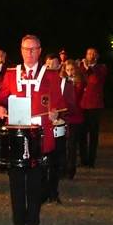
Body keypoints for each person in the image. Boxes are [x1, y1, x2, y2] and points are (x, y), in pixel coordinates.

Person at [0, 35, 66, 225]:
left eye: (34, 49)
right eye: (27, 49)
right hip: (17, 136)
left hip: (39, 137)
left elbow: (60, 104)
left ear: (40, 51)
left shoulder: (51, 76)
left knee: (35, 184)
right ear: (21, 50)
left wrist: (55, 112)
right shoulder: (11, 74)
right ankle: (17, 224)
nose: (30, 53)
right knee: (16, 183)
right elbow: (0, 99)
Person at [43, 53, 66, 203]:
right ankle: (43, 192)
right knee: (43, 162)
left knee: (55, 162)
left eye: (54, 65)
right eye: (48, 65)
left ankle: (53, 192)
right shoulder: (39, 82)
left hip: (58, 128)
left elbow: (70, 106)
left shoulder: (64, 83)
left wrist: (59, 112)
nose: (51, 67)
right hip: (43, 128)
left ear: (59, 66)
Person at [79, 47, 107, 167]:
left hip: (95, 106)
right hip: (82, 105)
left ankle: (91, 160)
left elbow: (96, 78)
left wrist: (88, 68)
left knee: (93, 134)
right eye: (88, 53)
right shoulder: (81, 67)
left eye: (93, 53)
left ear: (97, 56)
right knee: (82, 134)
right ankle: (83, 159)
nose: (90, 56)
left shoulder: (101, 68)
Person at [62, 60, 86, 180]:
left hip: (75, 117)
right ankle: (65, 168)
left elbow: (75, 98)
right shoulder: (64, 82)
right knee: (65, 145)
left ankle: (70, 170)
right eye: (67, 70)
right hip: (65, 117)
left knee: (72, 145)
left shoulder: (79, 83)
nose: (70, 72)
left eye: (72, 70)